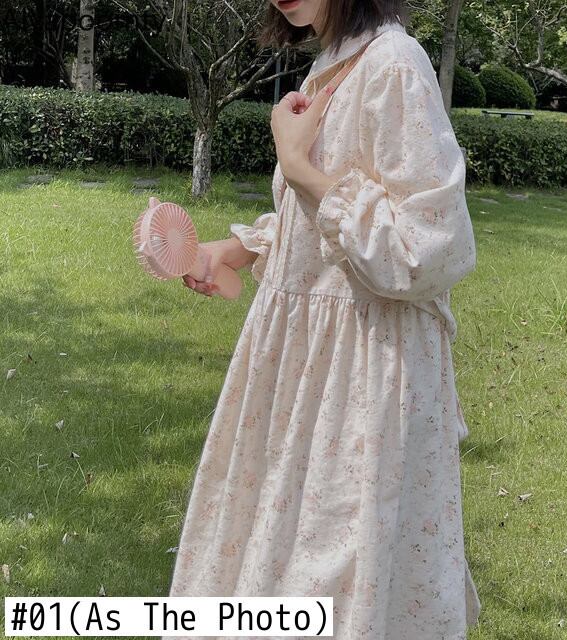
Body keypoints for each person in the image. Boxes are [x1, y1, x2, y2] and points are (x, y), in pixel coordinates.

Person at [170, 0, 481, 638]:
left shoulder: (394, 65)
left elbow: (428, 249)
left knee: (333, 572)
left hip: (364, 367)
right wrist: (238, 249)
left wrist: (301, 171)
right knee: (275, 551)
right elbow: (319, 233)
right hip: (304, 365)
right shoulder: (331, 65)